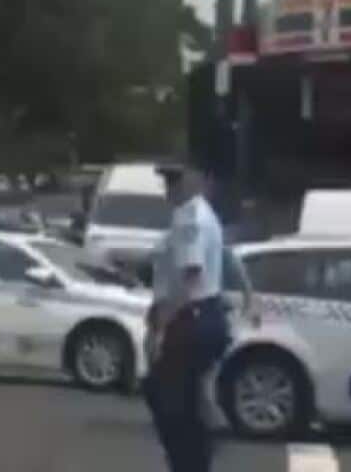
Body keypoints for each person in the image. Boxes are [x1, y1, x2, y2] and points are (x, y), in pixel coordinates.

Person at [143, 163, 233, 472]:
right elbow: (227, 257)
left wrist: (162, 326)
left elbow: (191, 277)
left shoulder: (189, 218)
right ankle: (196, 456)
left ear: (198, 179)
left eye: (177, 180)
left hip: (188, 317)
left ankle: (191, 463)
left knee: (170, 401)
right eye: (167, 182)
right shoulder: (201, 214)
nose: (170, 188)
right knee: (180, 399)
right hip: (200, 314)